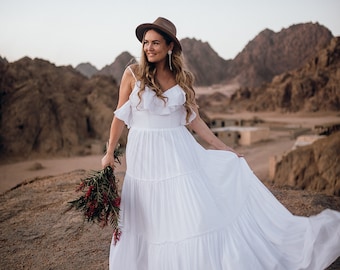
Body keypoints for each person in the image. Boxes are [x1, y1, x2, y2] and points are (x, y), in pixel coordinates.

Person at [101, 17, 340, 270]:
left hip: (178, 153)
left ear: (170, 46)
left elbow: (195, 121)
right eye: (146, 42)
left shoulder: (180, 78)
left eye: (156, 43)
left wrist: (222, 147)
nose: (149, 48)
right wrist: (109, 153)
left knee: (189, 213)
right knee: (147, 212)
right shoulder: (132, 74)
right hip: (144, 154)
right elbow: (119, 117)